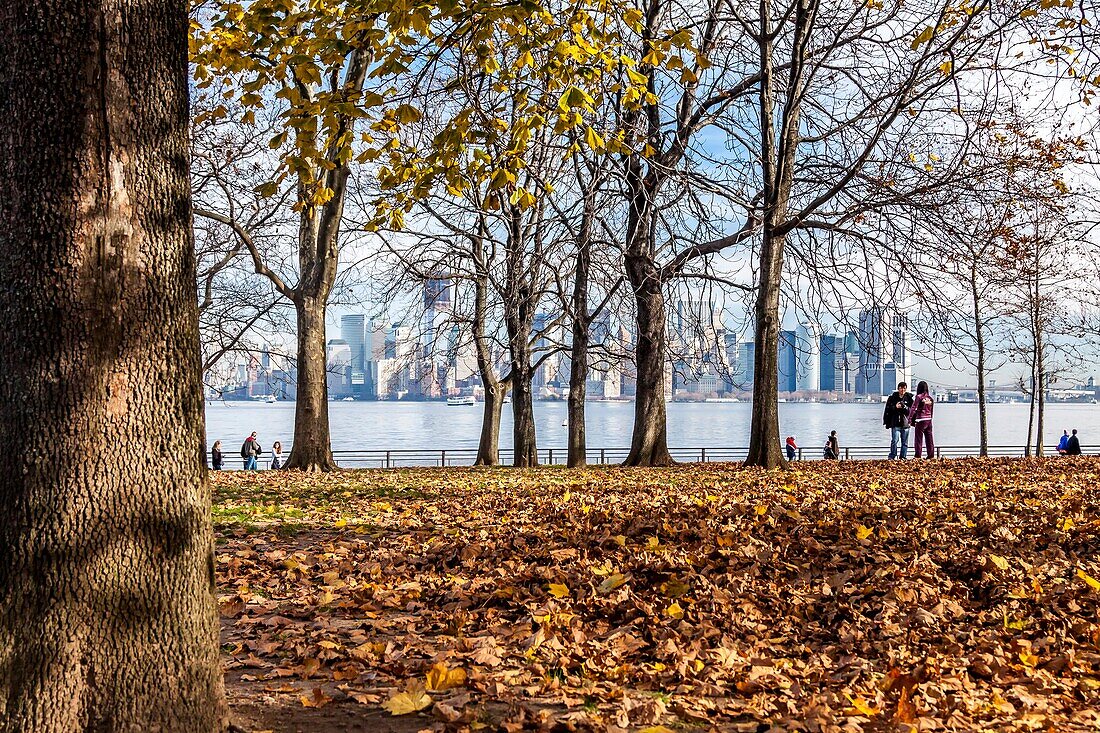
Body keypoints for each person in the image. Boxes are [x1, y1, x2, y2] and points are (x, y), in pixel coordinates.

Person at [883, 381, 914, 459]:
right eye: (901, 388)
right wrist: (895, 407)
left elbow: (911, 411)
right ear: (898, 389)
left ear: (906, 389)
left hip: (905, 423)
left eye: (904, 388)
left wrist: (904, 407)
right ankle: (892, 455)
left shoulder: (909, 398)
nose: (902, 390)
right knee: (894, 441)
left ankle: (903, 457)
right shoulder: (892, 398)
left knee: (905, 442)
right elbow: (888, 409)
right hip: (895, 422)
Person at [910, 381, 935, 459]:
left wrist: (910, 419)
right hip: (929, 420)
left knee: (918, 439)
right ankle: (931, 455)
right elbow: (931, 410)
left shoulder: (919, 397)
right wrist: (930, 418)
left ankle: (918, 456)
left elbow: (913, 408)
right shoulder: (930, 398)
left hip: (920, 420)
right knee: (929, 439)